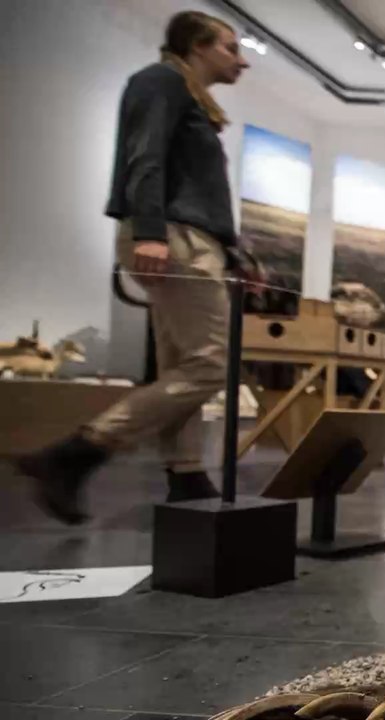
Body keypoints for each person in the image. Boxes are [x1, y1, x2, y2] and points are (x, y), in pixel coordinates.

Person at [16, 11, 250, 523]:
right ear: (197, 45)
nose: (242, 60)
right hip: (176, 236)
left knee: (181, 365)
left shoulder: (184, 93)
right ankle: (78, 452)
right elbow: (145, 157)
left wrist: (231, 250)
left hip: (189, 237)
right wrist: (149, 231)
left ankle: (188, 476)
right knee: (211, 365)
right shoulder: (160, 81)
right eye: (231, 48)